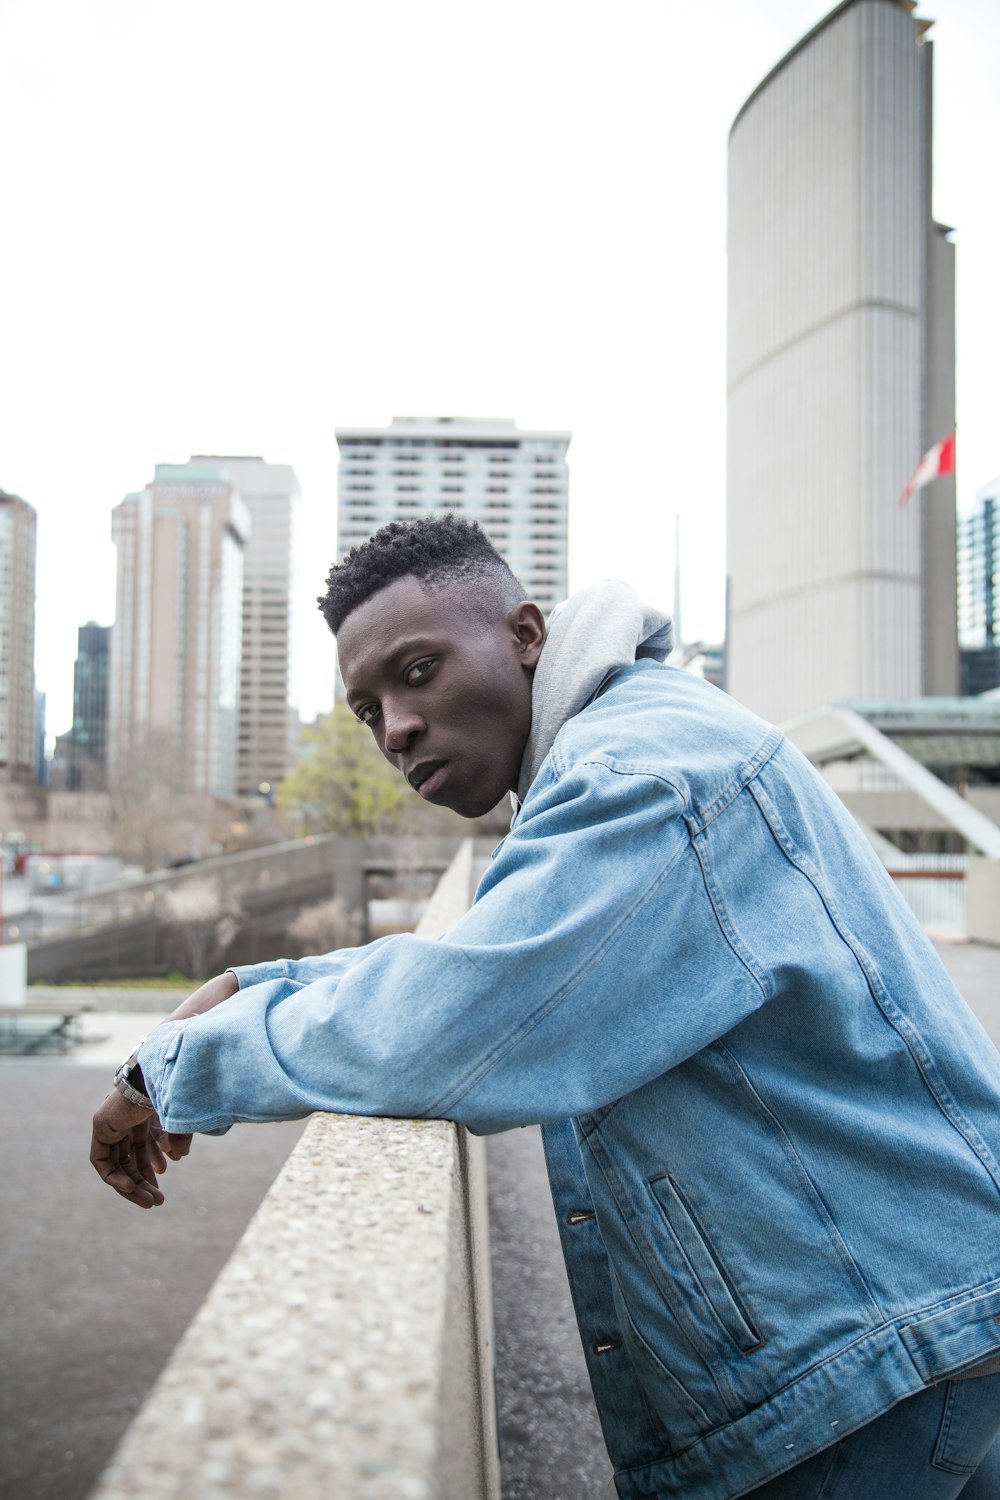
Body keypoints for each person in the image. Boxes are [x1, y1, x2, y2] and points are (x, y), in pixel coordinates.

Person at [91, 514, 1000, 1499]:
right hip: (892, 1329)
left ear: (523, 635)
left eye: (418, 670)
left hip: (875, 1361)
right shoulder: (620, 749)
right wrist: (254, 991)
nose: (394, 727)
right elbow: (496, 959)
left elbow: (458, 1021)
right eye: (367, 709)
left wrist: (173, 1068)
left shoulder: (637, 777)